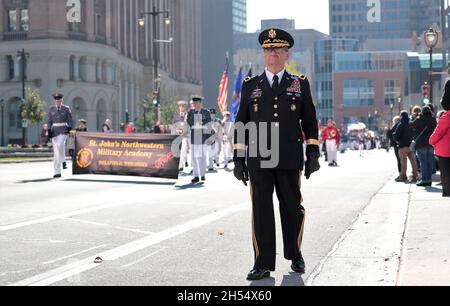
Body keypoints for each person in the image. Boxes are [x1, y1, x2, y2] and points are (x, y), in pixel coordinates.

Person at [233, 28, 320, 281]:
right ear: (263, 54)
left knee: (292, 208)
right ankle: (262, 263)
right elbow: (242, 123)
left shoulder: (299, 83)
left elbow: (310, 121)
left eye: (277, 49)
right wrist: (238, 159)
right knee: (261, 210)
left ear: (286, 54)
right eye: (268, 50)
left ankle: (295, 254)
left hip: (289, 155)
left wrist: (313, 152)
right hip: (259, 154)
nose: (272, 54)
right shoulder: (252, 86)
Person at [46, 93, 73, 178]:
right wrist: (49, 130)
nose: (57, 101)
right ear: (55, 101)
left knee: (60, 144)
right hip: (55, 131)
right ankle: (57, 172)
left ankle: (63, 160)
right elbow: (49, 120)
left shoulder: (66, 108)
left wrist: (69, 127)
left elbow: (70, 119)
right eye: (56, 100)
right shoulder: (51, 109)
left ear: (61, 100)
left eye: (59, 99)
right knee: (56, 152)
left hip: (63, 130)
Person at [430, 82, 450, 197]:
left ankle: (447, 192)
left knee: (446, 173)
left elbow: (438, 133)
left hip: (445, 150)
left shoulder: (446, 116)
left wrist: (431, 141)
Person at [187, 96, 212, 183]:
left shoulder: (206, 112)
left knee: (202, 157)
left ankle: (202, 174)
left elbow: (209, 124)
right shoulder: (191, 112)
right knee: (194, 157)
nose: (194, 104)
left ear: (199, 103)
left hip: (202, 136)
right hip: (194, 136)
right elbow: (188, 122)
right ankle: (196, 175)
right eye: (193, 103)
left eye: (195, 103)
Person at [410, 105, 436, 187]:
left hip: (421, 144)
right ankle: (429, 179)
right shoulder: (433, 120)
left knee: (423, 162)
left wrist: (416, 116)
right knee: (430, 162)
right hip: (431, 144)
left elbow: (411, 125)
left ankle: (424, 179)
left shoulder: (419, 119)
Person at [394, 111, 419, 182]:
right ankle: (415, 175)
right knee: (413, 161)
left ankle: (403, 176)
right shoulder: (411, 123)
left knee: (403, 162)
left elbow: (396, 136)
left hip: (403, 146)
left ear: (401, 116)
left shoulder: (401, 124)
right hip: (411, 146)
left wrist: (396, 139)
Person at [172, 101, 190, 171]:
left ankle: (182, 165)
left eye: (183, 106)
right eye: (180, 106)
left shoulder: (188, 115)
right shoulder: (176, 115)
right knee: (179, 151)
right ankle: (180, 165)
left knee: (184, 151)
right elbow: (174, 125)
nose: (182, 108)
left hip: (186, 136)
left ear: (185, 107)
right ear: (179, 107)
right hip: (178, 135)